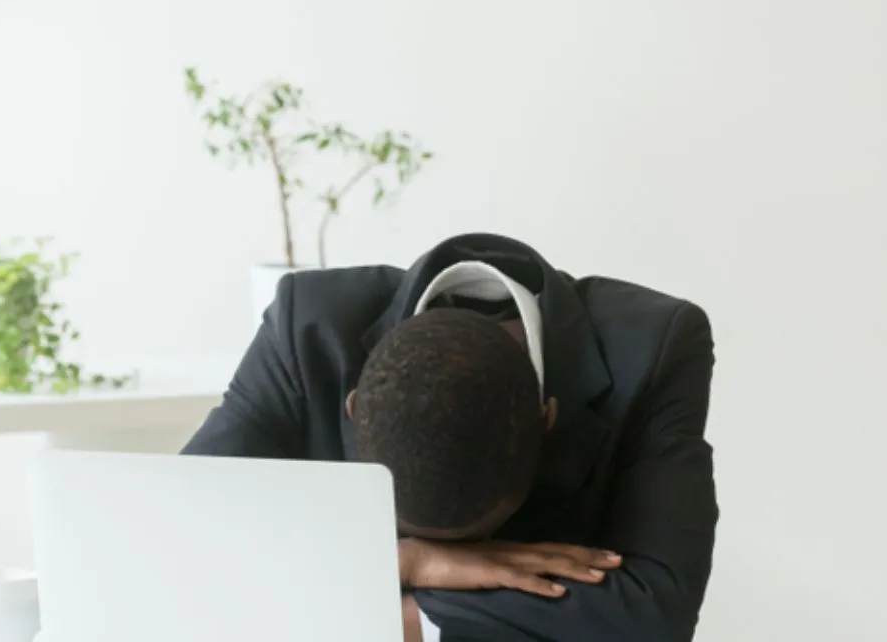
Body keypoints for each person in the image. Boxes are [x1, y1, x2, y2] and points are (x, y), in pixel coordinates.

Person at [185, 232, 718, 642]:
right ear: (354, 409)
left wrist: (397, 614)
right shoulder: (307, 329)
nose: (461, 564)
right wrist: (403, 561)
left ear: (547, 422)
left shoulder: (657, 348)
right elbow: (179, 539)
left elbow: (656, 614)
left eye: (477, 544)